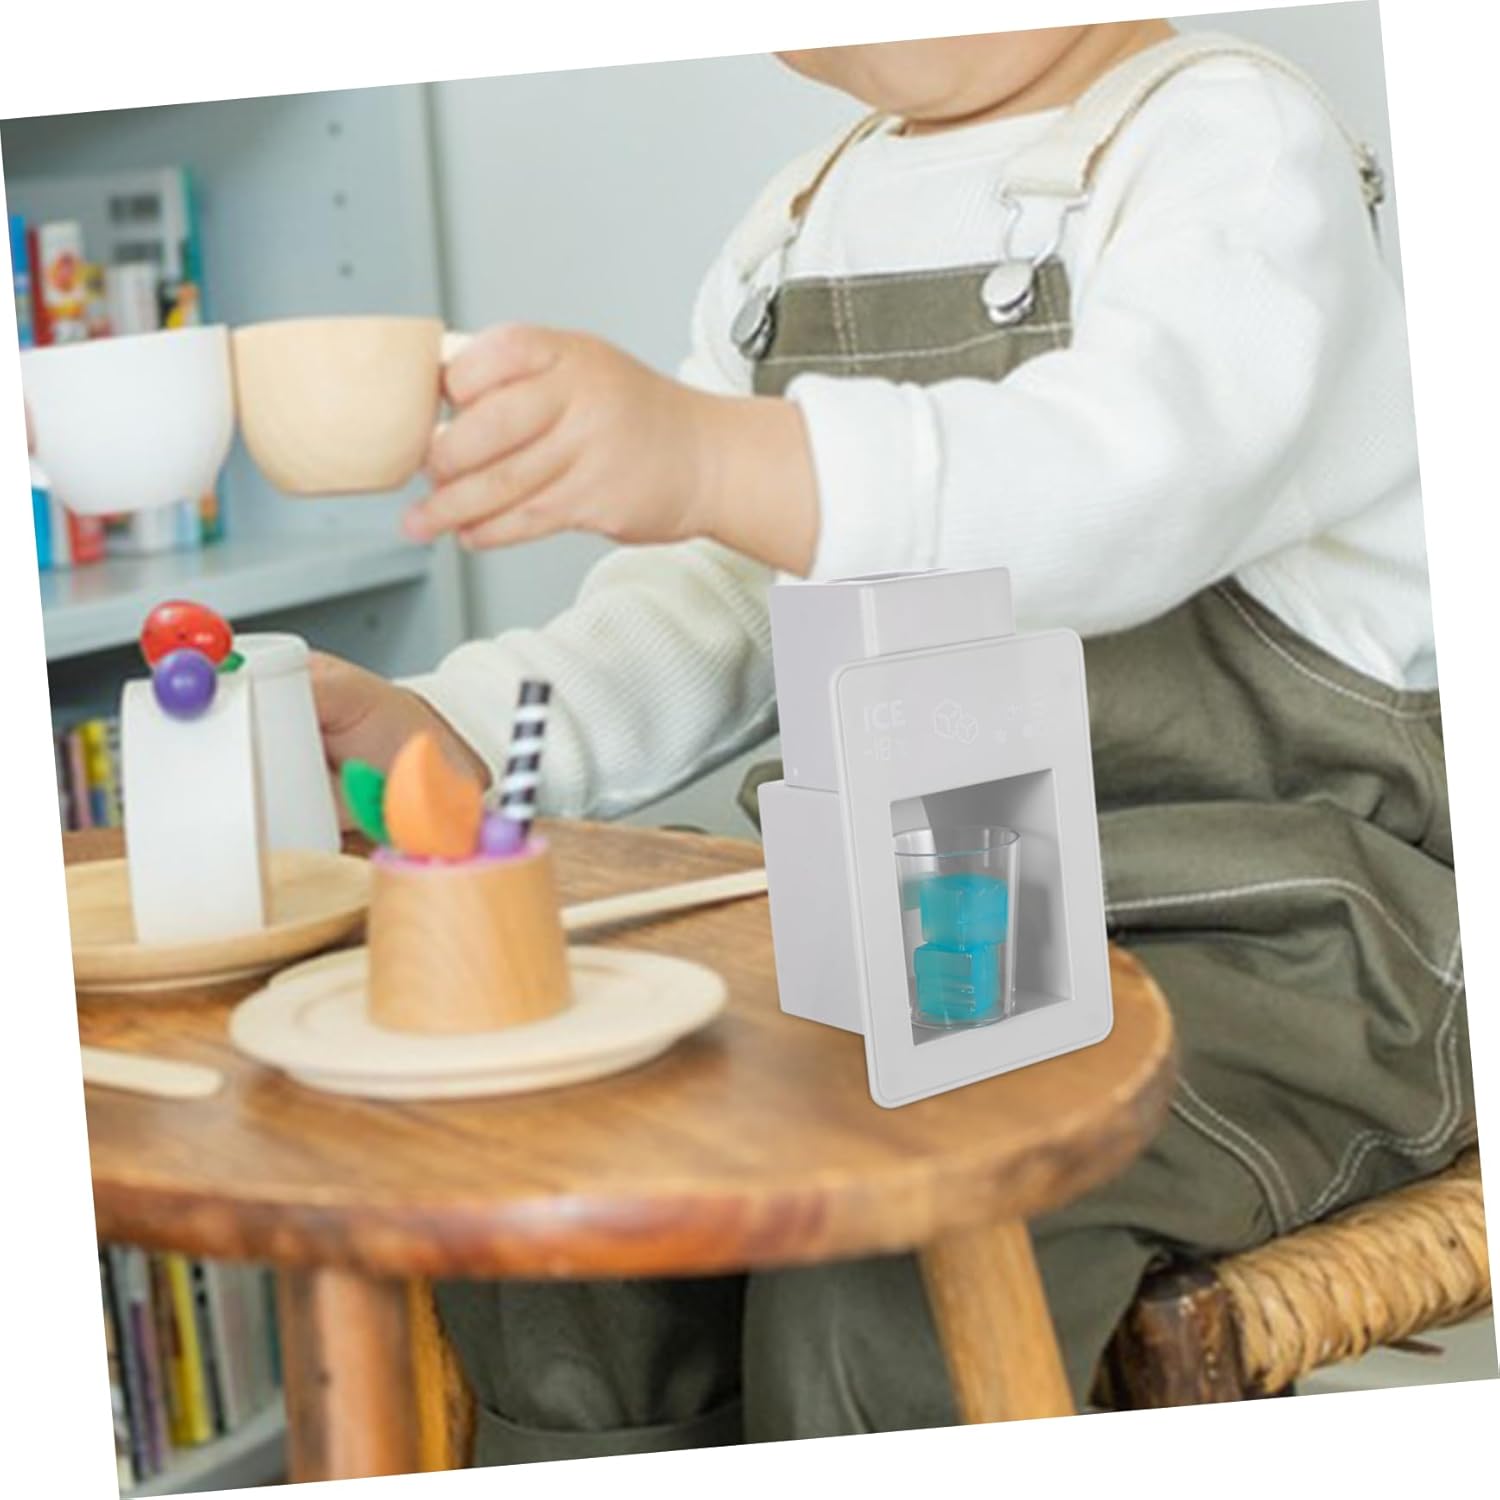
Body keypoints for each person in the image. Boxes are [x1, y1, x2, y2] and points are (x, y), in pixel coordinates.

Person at [313, 21, 1471, 1459]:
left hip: (1275, 944)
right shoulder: (802, 221)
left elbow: (1118, 480)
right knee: (575, 1187)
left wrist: (710, 454)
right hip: (900, 931)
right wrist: (463, 730)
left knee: (891, 1260)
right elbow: (726, 587)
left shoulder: (1231, 144)